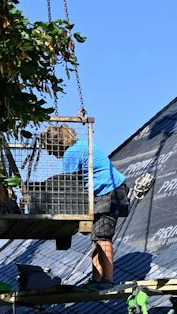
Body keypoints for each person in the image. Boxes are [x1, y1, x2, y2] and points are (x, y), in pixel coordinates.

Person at [45, 123, 126, 289]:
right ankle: (96, 280)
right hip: (105, 192)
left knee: (103, 236)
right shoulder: (81, 146)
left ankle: (108, 280)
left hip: (109, 192)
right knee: (96, 238)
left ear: (58, 142)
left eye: (50, 148)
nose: (50, 153)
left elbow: (69, 184)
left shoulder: (71, 153)